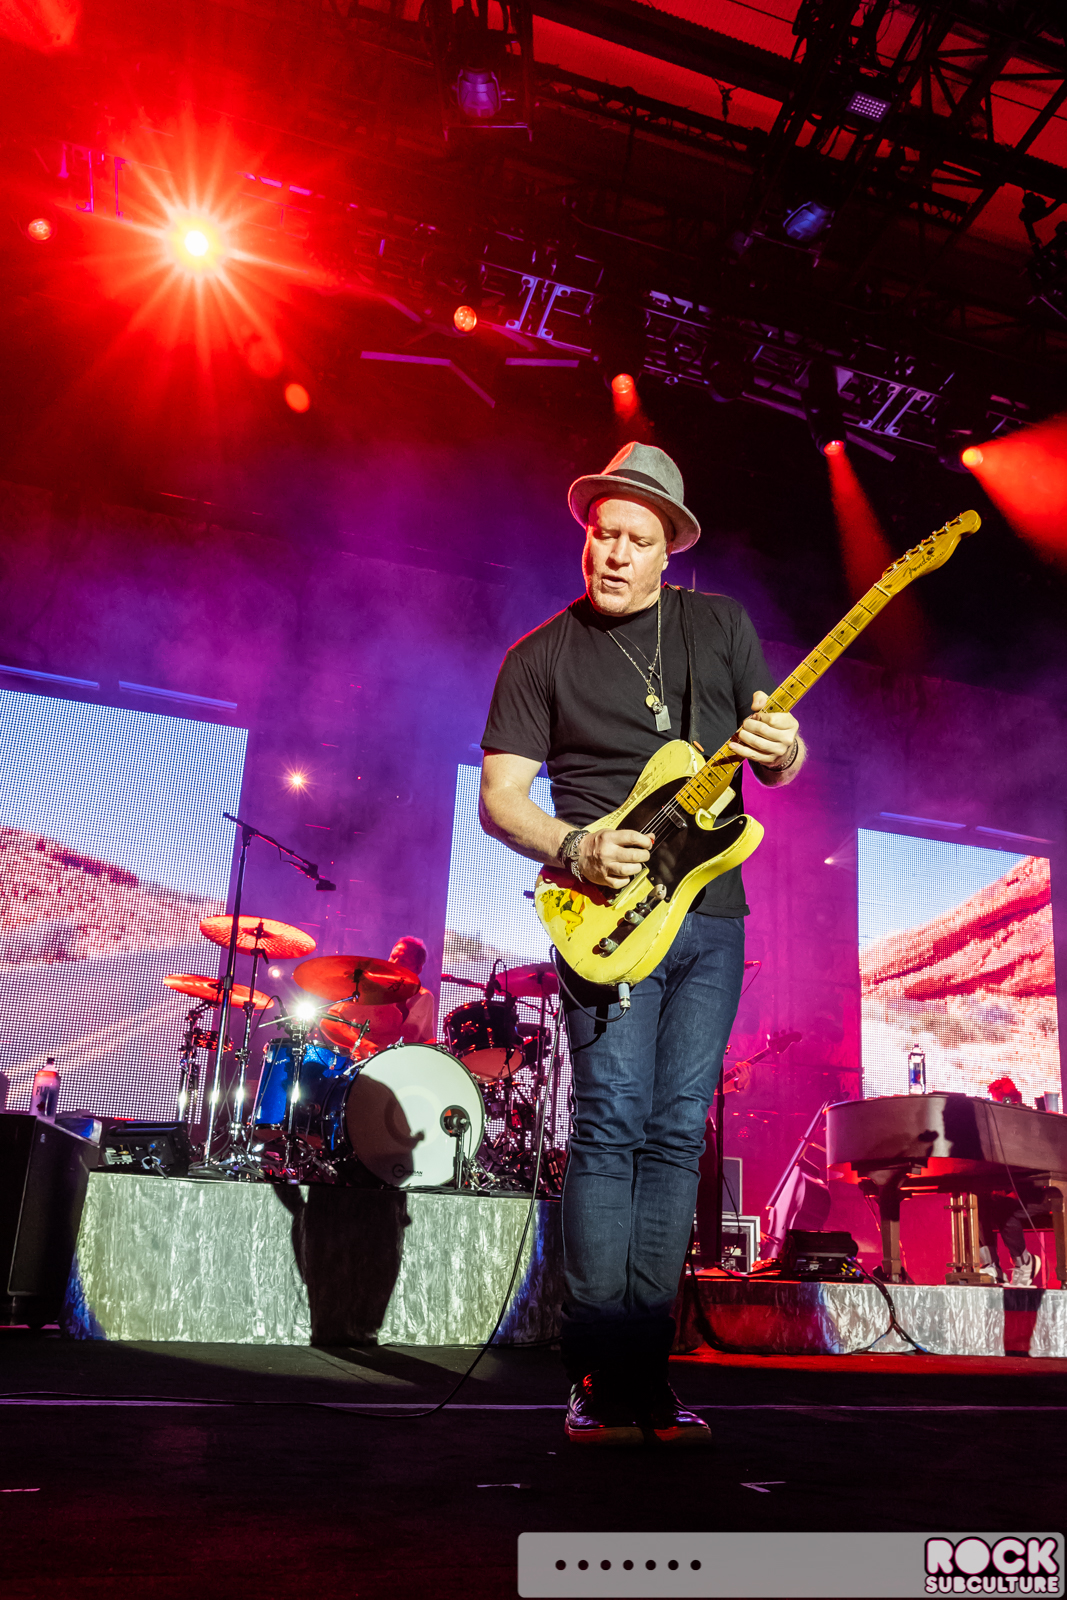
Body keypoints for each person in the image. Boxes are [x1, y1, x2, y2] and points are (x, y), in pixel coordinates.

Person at [479, 441, 805, 1446]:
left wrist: (786, 749)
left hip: (710, 916)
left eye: (633, 538)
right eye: (600, 534)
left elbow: (776, 755)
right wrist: (572, 845)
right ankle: (594, 1373)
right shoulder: (540, 655)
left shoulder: (719, 628)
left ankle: (645, 1374)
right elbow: (499, 799)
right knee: (610, 1127)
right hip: (606, 917)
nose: (612, 553)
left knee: (673, 1135)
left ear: (670, 549)